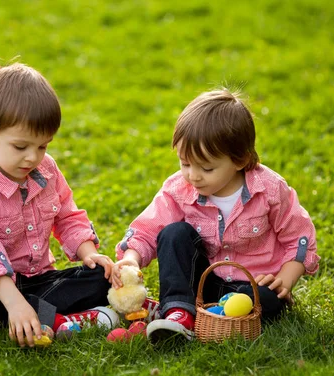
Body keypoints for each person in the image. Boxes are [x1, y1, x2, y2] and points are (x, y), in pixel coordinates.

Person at [112, 89, 320, 343]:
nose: (194, 176)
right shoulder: (180, 188)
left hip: (252, 288)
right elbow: (148, 228)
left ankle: (209, 316)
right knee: (173, 233)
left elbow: (299, 237)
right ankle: (179, 311)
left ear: (240, 160)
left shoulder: (269, 190)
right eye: (185, 163)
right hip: (203, 282)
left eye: (207, 168)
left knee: (267, 299)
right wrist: (132, 259)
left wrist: (285, 280)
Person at [0, 61, 118, 347]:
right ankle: (56, 320)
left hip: (38, 280)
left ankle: (1, 322)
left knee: (101, 277)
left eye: (43, 146)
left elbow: (68, 217)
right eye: (20, 147)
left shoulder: (46, 170)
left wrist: (89, 253)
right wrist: (14, 303)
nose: (32, 158)